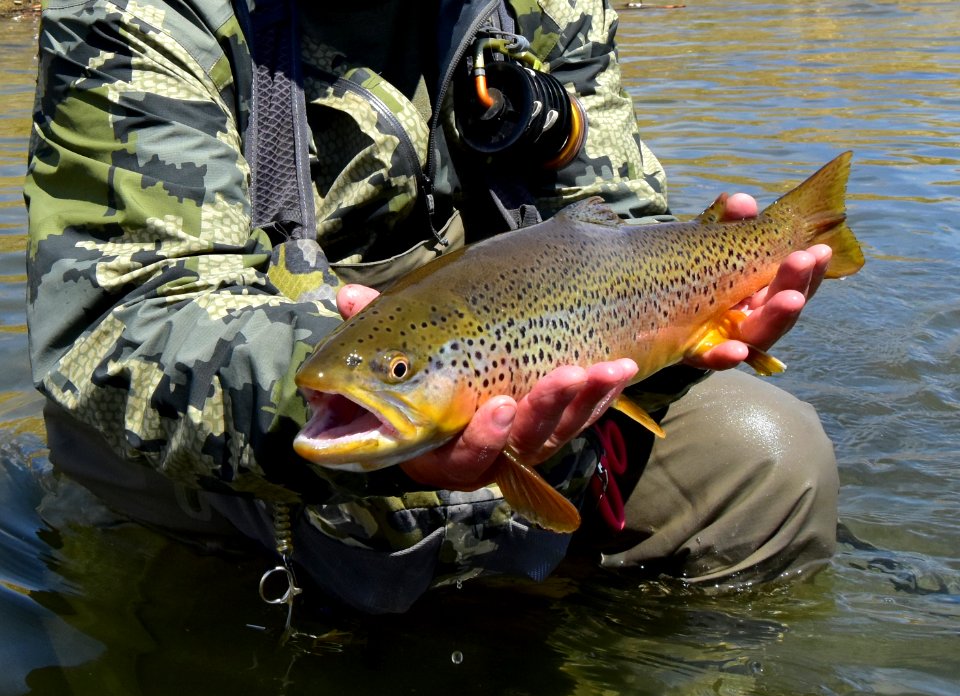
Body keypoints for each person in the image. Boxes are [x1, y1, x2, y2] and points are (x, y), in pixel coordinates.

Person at [25, 0, 839, 614]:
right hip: (256, 426)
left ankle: (587, 653)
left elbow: (609, 225)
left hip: (517, 368)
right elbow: (126, 315)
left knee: (773, 466)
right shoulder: (137, 13)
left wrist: (680, 337)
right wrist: (337, 405)